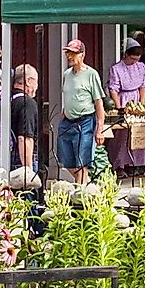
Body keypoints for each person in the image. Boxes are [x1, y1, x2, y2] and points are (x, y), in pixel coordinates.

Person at [57, 39, 107, 186]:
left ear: (82, 55)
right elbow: (68, 97)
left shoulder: (91, 74)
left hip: (85, 120)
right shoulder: (67, 74)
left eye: (73, 53)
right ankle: (85, 185)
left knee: (83, 161)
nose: (70, 56)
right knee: (67, 161)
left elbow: (99, 103)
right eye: (68, 53)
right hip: (67, 121)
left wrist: (99, 130)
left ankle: (81, 193)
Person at [9, 65, 42, 178]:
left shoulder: (5, 101)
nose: (37, 87)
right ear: (28, 81)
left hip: (3, 157)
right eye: (36, 82)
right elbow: (24, 138)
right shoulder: (27, 103)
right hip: (21, 160)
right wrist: (28, 171)